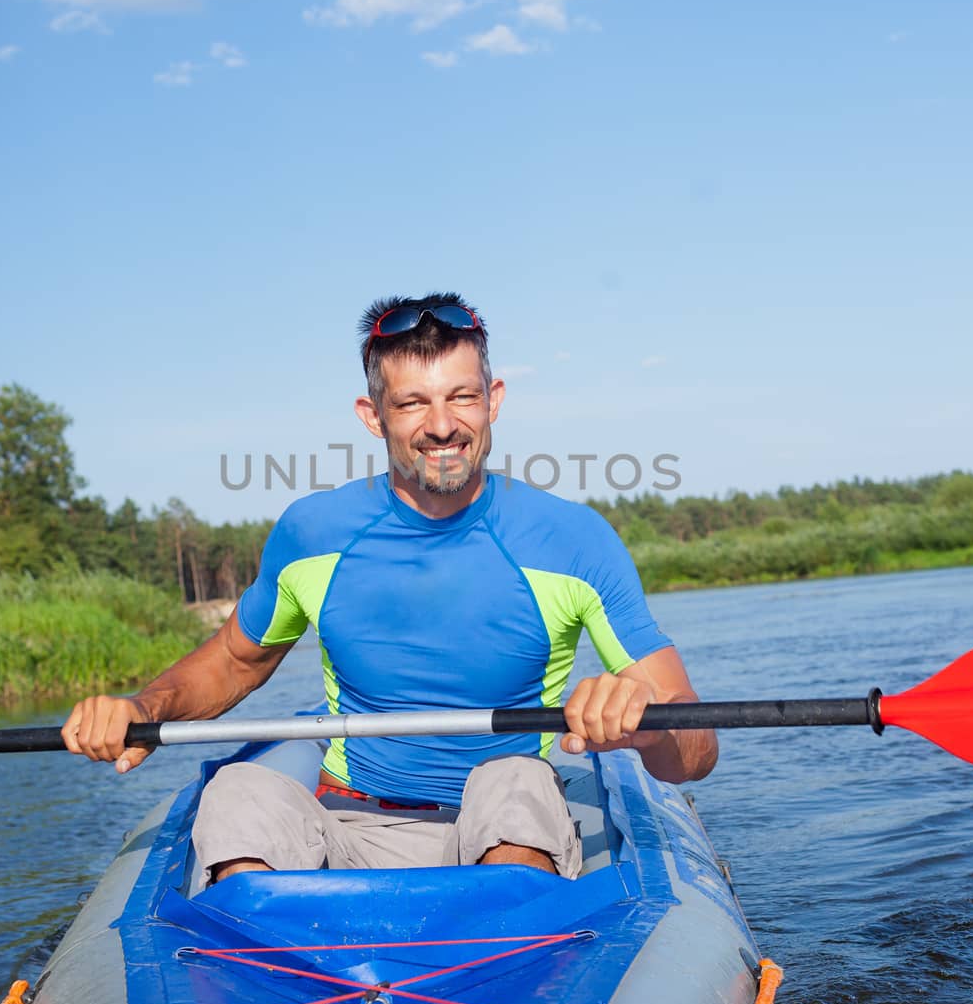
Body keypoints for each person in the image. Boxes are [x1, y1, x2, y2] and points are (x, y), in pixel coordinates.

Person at [62, 294, 716, 883]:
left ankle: (510, 959)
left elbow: (695, 749)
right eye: (412, 403)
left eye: (461, 396)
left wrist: (643, 722)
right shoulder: (311, 533)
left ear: (494, 400)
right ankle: (263, 984)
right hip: (348, 826)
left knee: (515, 782)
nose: (441, 425)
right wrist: (146, 708)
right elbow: (237, 659)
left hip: (504, 828)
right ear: (373, 416)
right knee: (234, 794)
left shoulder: (574, 540)